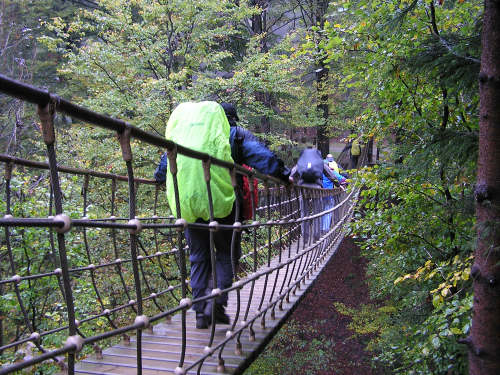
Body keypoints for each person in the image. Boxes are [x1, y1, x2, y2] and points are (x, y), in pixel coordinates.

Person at [155, 102, 290, 329]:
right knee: (227, 253)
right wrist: (284, 174)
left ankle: (200, 312)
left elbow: (163, 167)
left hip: (186, 203)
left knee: (198, 256)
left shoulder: (184, 136)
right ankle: (215, 303)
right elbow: (261, 157)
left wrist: (159, 178)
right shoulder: (233, 133)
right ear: (230, 118)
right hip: (222, 204)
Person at [289, 147, 337, 244]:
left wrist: (291, 184)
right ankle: (316, 236)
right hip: (316, 188)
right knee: (317, 213)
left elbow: (292, 174)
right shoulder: (320, 162)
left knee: (304, 213)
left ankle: (305, 237)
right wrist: (339, 185)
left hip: (303, 189)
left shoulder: (301, 162)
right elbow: (331, 175)